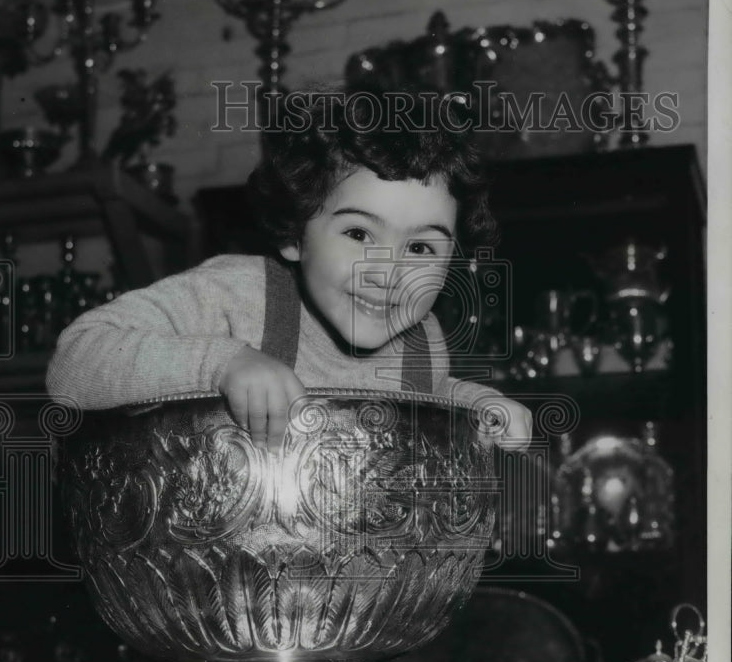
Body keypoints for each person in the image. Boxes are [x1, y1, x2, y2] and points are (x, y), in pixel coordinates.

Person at [46, 90, 531, 453]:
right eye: (359, 235)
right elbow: (73, 363)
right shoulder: (235, 294)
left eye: (422, 247)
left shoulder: (423, 337)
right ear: (295, 235)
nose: (390, 273)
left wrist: (472, 403)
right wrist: (223, 364)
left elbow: (420, 401)